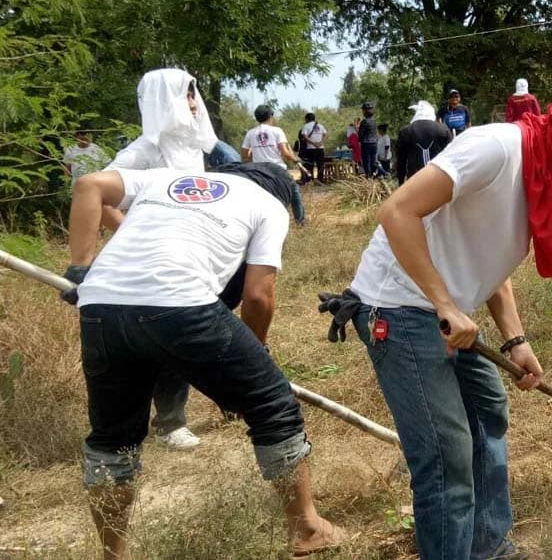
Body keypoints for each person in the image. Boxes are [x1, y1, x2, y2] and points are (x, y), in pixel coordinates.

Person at [318, 89, 552, 560]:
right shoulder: (494, 148)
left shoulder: (539, 172)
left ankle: (488, 545)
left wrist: (516, 340)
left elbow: (489, 261)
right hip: (399, 308)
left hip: (448, 314)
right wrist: (444, 303)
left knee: (489, 411)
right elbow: (396, 211)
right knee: (447, 458)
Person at [63, 162, 344, 559]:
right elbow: (258, 295)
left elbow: (88, 184)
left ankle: (114, 554)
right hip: (180, 303)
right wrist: (255, 354)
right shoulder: (268, 205)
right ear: (280, 189)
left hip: (100, 305)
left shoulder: (166, 178)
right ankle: (308, 529)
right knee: (273, 404)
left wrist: (81, 269)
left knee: (113, 440)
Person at [103, 68, 224, 450]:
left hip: (192, 255)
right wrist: (130, 234)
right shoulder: (142, 151)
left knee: (189, 337)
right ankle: (167, 423)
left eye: (194, 95)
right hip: (153, 265)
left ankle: (177, 415)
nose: (193, 103)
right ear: (162, 101)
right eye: (185, 96)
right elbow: (96, 194)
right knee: (164, 343)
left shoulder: (191, 150)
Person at [242, 105, 306, 225]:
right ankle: (300, 221)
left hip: (258, 171)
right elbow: (285, 153)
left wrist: (255, 152)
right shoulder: (277, 131)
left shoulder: (251, 133)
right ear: (270, 117)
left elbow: (244, 155)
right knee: (295, 192)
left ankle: (261, 224)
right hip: (277, 170)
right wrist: (296, 159)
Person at [395, 100, 452, 186]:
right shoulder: (443, 129)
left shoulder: (405, 131)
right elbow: (451, 155)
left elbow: (401, 160)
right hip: (439, 179)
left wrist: (401, 182)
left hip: (415, 180)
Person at [298, 113, 328, 184]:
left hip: (310, 148)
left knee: (309, 165)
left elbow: (305, 137)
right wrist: (321, 142)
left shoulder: (305, 126)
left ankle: (310, 180)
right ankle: (320, 180)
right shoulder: (320, 126)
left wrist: (313, 143)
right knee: (320, 164)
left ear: (307, 119)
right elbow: (325, 135)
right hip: (320, 148)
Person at [357, 103, 381, 178]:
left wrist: (357, 129)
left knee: (366, 161)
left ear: (364, 111)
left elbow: (360, 134)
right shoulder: (374, 121)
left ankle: (368, 176)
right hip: (374, 143)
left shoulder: (364, 122)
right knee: (373, 161)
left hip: (366, 143)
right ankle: (373, 175)